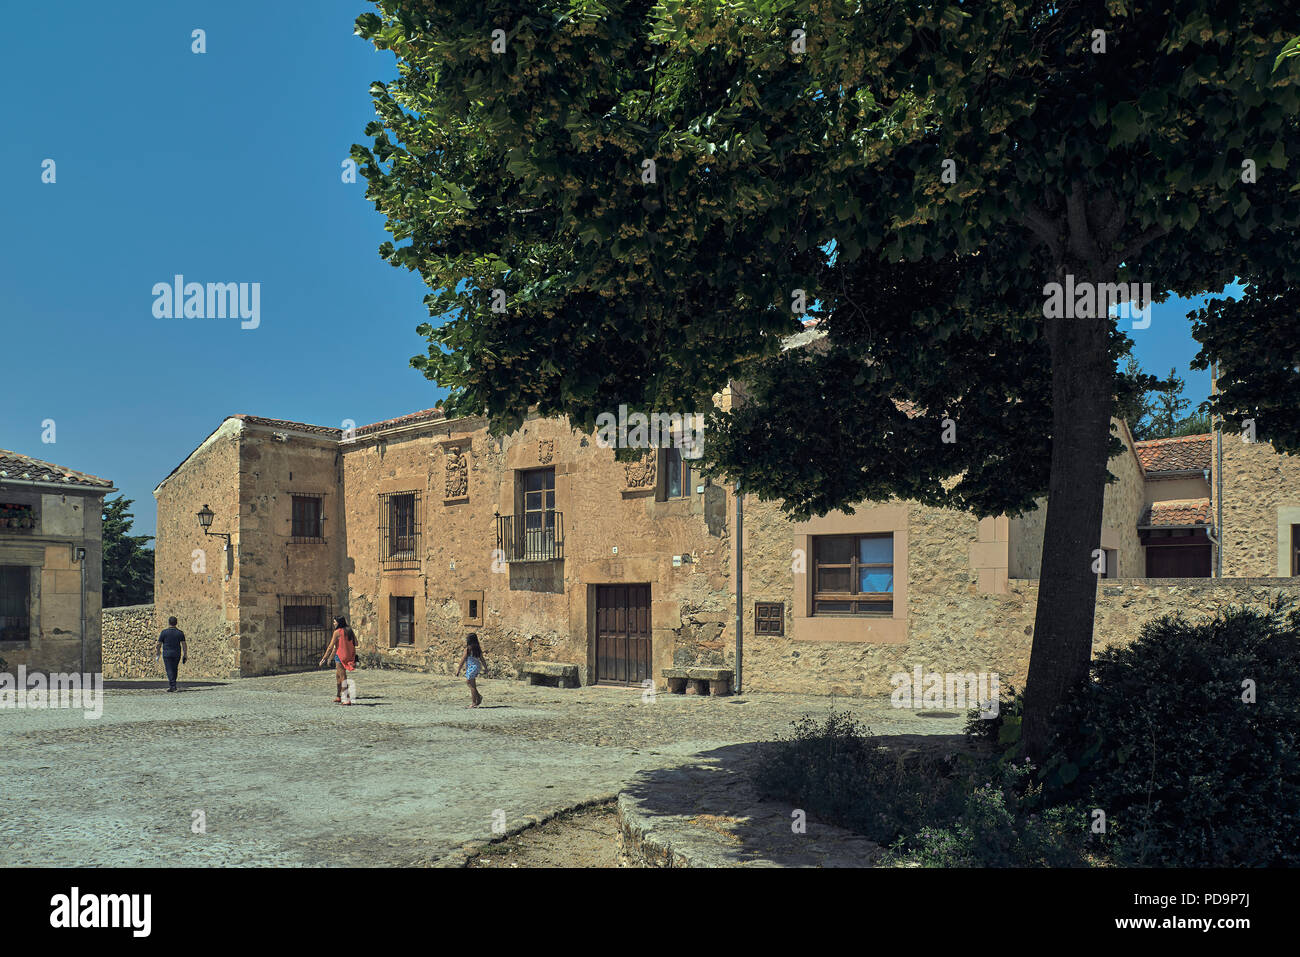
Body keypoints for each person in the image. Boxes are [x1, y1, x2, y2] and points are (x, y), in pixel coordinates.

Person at [319, 616, 358, 704]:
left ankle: (347, 699)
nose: (333, 623)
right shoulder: (349, 631)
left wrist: (324, 658)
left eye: (334, 622)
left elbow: (330, 647)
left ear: (338, 623)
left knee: (343, 677)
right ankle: (338, 696)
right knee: (338, 676)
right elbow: (356, 643)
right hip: (349, 656)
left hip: (340, 656)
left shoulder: (337, 632)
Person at [156, 617, 187, 692]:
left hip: (167, 654)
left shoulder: (164, 632)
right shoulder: (180, 633)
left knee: (169, 669)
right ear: (176, 623)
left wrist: (158, 651)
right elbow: (184, 644)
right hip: (177, 653)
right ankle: (173, 685)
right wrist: (185, 654)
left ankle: (173, 686)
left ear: (168, 622)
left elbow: (159, 644)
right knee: (174, 669)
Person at [455, 632, 486, 708]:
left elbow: (463, 659)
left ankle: (474, 702)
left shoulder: (468, 649)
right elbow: (482, 659)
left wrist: (458, 669)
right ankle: (478, 697)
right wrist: (486, 668)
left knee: (471, 685)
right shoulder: (477, 649)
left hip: (472, 668)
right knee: (471, 684)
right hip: (476, 667)